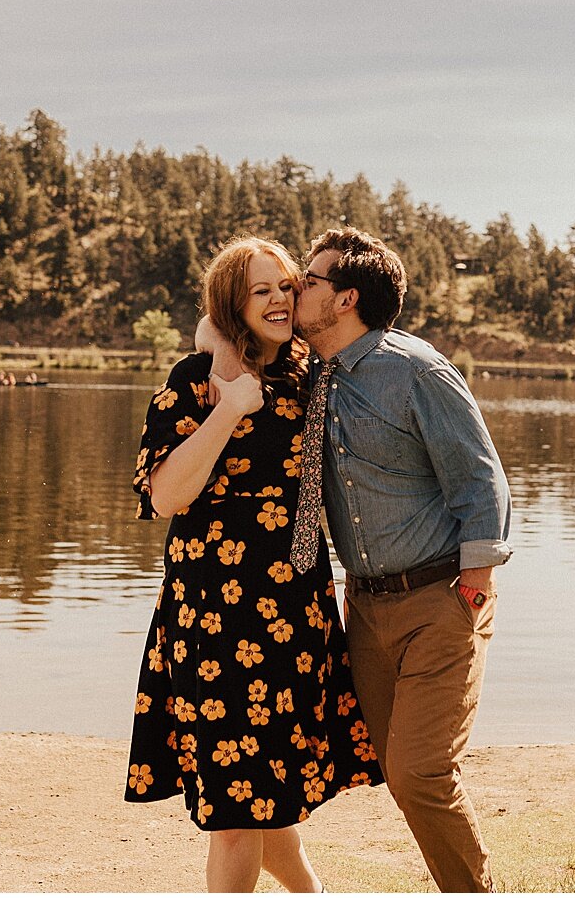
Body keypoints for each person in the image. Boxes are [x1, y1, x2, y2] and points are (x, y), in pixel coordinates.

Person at [202, 227, 512, 893]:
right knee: (376, 764)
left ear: (345, 298)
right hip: (365, 610)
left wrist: (474, 587)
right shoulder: (312, 377)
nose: (292, 290)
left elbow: (481, 479)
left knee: (420, 773)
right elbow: (216, 329)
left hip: (439, 600)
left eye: (305, 281)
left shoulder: (415, 368)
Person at [124, 236, 383, 894]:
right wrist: (231, 405)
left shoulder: (312, 374)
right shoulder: (194, 381)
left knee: (263, 795)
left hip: (293, 612)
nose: (276, 299)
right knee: (237, 811)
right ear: (235, 302)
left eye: (284, 286)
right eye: (258, 289)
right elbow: (166, 494)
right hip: (211, 614)